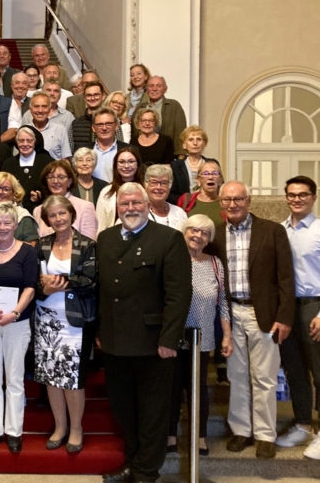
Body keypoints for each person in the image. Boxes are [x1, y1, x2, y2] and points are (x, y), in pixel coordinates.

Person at [97, 182, 192, 483]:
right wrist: (100, 331)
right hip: (114, 341)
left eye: (136, 203)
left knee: (153, 413)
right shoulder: (106, 238)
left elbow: (178, 295)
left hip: (154, 344)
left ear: (148, 204)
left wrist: (169, 339)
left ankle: (146, 472)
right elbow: (103, 290)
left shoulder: (168, 239)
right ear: (117, 208)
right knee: (124, 410)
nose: (130, 209)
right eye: (124, 204)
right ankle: (132, 463)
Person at [207, 181, 295, 460]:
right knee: (236, 375)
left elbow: (285, 277)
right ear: (220, 203)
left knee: (265, 378)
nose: (232, 205)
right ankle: (241, 430)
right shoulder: (216, 235)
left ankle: (266, 434)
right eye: (226, 200)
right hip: (230, 314)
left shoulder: (272, 231)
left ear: (249, 200)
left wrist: (284, 317)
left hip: (264, 313)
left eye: (238, 199)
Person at [275, 176, 320, 460]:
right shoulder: (280, 230)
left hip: (314, 307)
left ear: (313, 197)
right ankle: (303, 424)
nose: (297, 199)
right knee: (294, 370)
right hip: (287, 308)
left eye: (303, 195)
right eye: (292, 195)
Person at [34, 195, 98, 453]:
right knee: (51, 376)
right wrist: (44, 289)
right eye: (53, 215)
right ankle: (59, 426)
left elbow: (91, 280)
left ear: (71, 214)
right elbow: (33, 280)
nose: (58, 219)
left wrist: (60, 281)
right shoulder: (41, 244)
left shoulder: (87, 245)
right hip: (45, 318)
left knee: (72, 377)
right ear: (47, 220)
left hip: (75, 320)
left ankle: (76, 429)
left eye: (63, 213)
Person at [0, 203, 39, 453]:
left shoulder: (27, 252)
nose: (2, 227)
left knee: (14, 378)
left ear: (16, 225)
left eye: (7, 223)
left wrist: (14, 313)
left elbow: (31, 287)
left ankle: (14, 431)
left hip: (17, 322)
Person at [168, 214, 232, 456]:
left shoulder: (215, 263)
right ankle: (170, 435)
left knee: (199, 390)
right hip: (173, 336)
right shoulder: (173, 260)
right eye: (193, 230)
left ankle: (200, 436)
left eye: (204, 232)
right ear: (184, 233)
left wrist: (227, 335)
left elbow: (223, 302)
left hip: (202, 338)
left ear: (209, 239)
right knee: (172, 388)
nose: (197, 235)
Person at [32, 160, 98, 240]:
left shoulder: (85, 207)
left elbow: (89, 243)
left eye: (61, 177)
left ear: (70, 181)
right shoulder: (38, 210)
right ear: (46, 182)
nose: (55, 181)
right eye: (51, 177)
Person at [1, 125, 55, 213]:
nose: (25, 144)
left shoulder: (48, 162)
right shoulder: (8, 164)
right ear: (16, 142)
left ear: (35, 142)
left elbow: (55, 187)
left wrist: (40, 195)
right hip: (14, 213)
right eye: (21, 140)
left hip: (42, 212)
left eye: (29, 141)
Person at [132, 76, 187, 155]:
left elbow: (181, 132)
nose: (154, 89)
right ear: (147, 89)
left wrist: (181, 154)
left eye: (159, 86)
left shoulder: (174, 106)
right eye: (151, 86)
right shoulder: (140, 107)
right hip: (141, 154)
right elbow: (134, 132)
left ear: (165, 89)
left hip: (167, 155)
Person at [95, 146, 145, 233]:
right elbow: (100, 225)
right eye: (121, 162)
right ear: (115, 166)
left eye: (131, 162)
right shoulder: (106, 191)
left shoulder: (146, 190)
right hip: (114, 240)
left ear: (138, 164)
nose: (126, 166)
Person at [0, 172, 39, 245]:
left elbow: (32, 246)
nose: (0, 192)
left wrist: (6, 242)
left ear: (14, 194)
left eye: (6, 189)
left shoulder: (23, 216)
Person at [85, 107, 130, 183]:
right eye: (100, 124)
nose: (104, 128)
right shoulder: (84, 150)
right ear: (93, 128)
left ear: (116, 126)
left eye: (108, 124)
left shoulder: (129, 150)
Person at [23, 92, 72, 160]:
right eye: (36, 106)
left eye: (44, 106)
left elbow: (65, 159)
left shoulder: (60, 130)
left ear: (49, 109)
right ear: (30, 109)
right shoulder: (24, 131)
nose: (40, 110)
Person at [177, 160, 226, 228]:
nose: (210, 177)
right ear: (198, 180)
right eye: (206, 173)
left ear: (220, 180)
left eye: (214, 173)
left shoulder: (226, 202)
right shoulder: (186, 200)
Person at [169, 126, 211, 204]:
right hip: (184, 208)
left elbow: (220, 188)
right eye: (191, 140)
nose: (195, 143)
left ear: (204, 144)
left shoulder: (211, 164)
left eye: (199, 139)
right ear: (184, 145)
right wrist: (186, 201)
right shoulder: (176, 165)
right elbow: (171, 194)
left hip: (208, 205)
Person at [145, 165, 187, 231]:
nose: (158, 187)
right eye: (154, 182)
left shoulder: (179, 213)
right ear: (146, 186)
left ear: (170, 186)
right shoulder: (138, 213)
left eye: (164, 183)